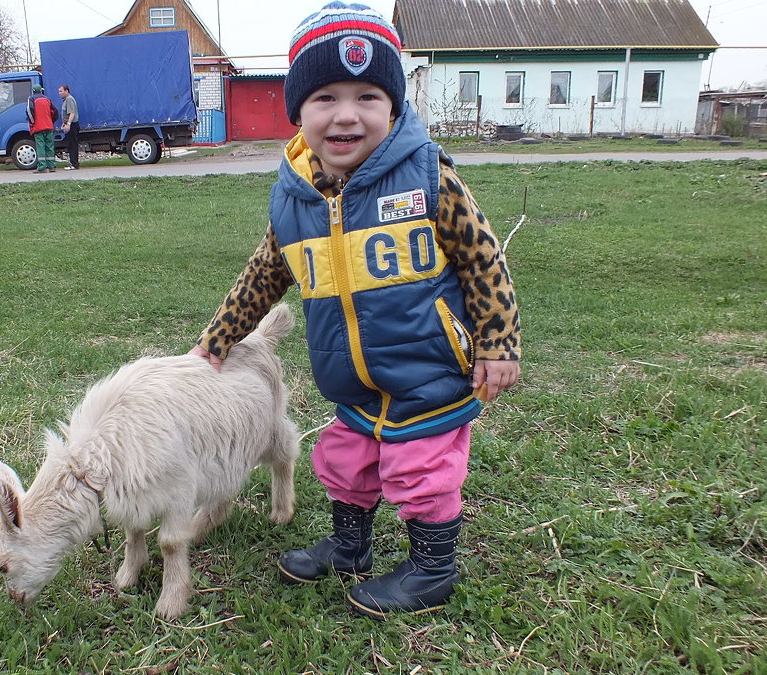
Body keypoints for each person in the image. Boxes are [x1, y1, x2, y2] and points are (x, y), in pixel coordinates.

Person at [188, 1, 521, 619]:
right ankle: (350, 546)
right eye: (325, 98)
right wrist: (217, 340)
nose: (346, 115)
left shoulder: (429, 179)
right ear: (298, 113)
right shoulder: (293, 201)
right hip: (353, 377)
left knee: (421, 470)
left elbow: (483, 262)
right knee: (346, 459)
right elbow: (264, 276)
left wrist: (498, 345)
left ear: (394, 106)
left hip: (431, 372)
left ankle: (432, 568)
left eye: (368, 95)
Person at [27, 85, 57, 173]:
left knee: (40, 146)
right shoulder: (47, 99)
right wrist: (51, 121)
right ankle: (52, 166)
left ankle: (42, 167)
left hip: (38, 127)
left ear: (33, 91)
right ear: (41, 91)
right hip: (49, 126)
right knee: (49, 146)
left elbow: (29, 110)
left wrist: (32, 122)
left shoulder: (31, 99)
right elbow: (55, 111)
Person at [59, 84, 80, 170]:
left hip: (72, 125)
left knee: (72, 145)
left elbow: (72, 113)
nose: (59, 93)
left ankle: (74, 164)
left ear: (66, 91)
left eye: (61, 91)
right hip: (69, 124)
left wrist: (68, 124)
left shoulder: (69, 99)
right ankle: (74, 163)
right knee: (70, 144)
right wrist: (64, 123)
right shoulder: (66, 100)